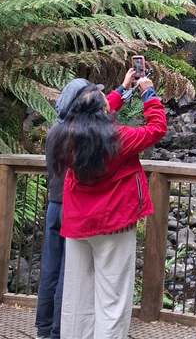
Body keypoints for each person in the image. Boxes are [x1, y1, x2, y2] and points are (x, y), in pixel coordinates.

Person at [50, 75, 167, 339]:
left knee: (76, 296)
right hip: (114, 224)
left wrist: (123, 89)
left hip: (78, 225)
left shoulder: (67, 139)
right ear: (104, 111)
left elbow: (95, 114)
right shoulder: (119, 138)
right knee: (112, 301)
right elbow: (157, 128)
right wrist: (148, 94)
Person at [35, 72, 136, 339]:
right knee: (75, 278)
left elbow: (96, 118)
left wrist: (122, 90)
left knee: (58, 274)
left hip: (58, 207)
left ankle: (45, 329)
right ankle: (56, 330)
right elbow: (103, 126)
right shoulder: (86, 134)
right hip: (76, 210)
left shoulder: (61, 132)